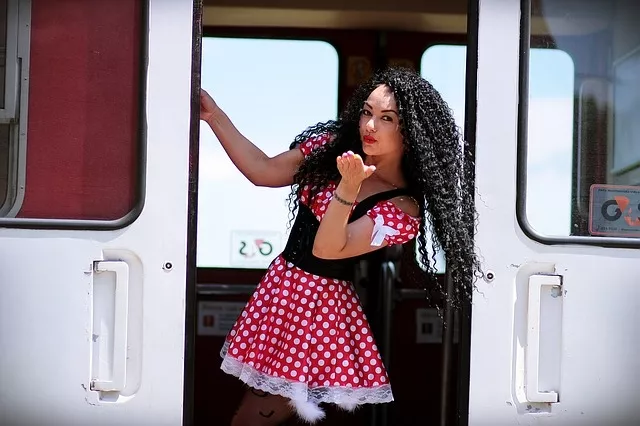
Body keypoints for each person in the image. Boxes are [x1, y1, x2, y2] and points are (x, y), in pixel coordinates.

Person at [199, 66, 481, 426]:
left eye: (387, 118)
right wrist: (214, 115)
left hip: (316, 313)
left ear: (411, 132)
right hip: (281, 294)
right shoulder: (331, 148)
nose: (369, 125)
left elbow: (327, 249)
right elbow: (263, 170)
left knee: (256, 420)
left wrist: (348, 188)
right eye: (366, 112)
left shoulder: (402, 208)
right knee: (257, 417)